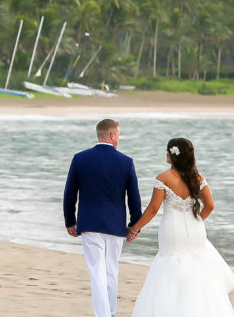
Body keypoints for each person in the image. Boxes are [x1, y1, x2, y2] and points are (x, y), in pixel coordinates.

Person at [126, 136, 234, 317]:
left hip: (172, 230)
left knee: (169, 269)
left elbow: (153, 209)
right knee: (198, 270)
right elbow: (210, 205)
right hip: (196, 229)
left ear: (172, 155)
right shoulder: (198, 177)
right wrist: (198, 221)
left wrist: (134, 228)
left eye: (168, 151)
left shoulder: (163, 178)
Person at [64, 117, 143, 317]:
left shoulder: (80, 158)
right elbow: (134, 198)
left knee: (96, 271)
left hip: (90, 224)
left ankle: (104, 315)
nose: (119, 138)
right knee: (111, 270)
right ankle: (111, 313)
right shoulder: (126, 162)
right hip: (115, 226)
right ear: (112, 135)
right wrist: (135, 226)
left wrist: (70, 221)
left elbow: (69, 193)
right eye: (118, 134)